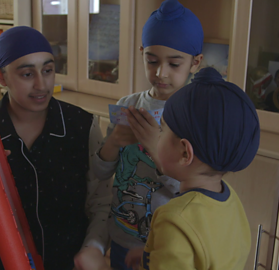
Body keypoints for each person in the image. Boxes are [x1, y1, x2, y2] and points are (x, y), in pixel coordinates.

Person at [0, 26, 112, 270]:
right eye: (27, 74)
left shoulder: (82, 126)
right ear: (1, 76)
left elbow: (102, 202)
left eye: (47, 70)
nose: (41, 84)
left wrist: (94, 246)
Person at [91, 0, 204, 269]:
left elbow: (197, 192)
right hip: (122, 235)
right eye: (151, 60)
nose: (160, 72)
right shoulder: (128, 104)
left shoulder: (195, 117)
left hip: (167, 244)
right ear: (141, 52)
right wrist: (112, 145)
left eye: (174, 64)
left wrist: (157, 149)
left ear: (195, 63)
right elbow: (100, 172)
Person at [124, 67, 260, 269]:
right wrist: (150, 258)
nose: (158, 136)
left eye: (162, 129)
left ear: (185, 153)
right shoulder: (230, 199)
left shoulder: (174, 219)